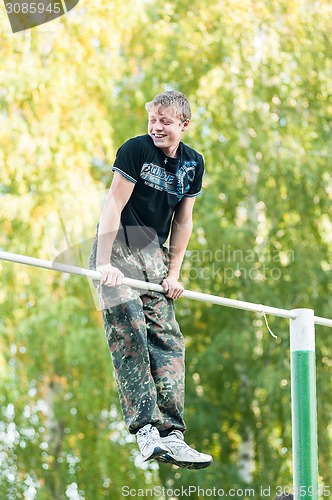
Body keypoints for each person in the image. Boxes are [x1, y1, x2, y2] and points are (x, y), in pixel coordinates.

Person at [89, 90, 212, 469]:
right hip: (119, 244)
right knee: (131, 325)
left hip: (153, 256)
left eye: (165, 121)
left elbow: (184, 220)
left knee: (168, 338)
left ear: (183, 125)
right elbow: (114, 203)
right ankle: (145, 428)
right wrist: (105, 264)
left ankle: (172, 434)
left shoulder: (193, 164)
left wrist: (174, 273)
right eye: (152, 120)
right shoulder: (135, 150)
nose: (157, 127)